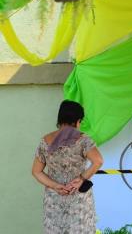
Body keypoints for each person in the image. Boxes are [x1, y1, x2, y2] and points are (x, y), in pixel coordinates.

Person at [32, 100, 103, 233]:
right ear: (77, 120)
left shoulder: (45, 140)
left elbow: (36, 172)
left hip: (55, 199)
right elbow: (98, 161)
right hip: (78, 199)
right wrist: (81, 178)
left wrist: (55, 185)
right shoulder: (83, 140)